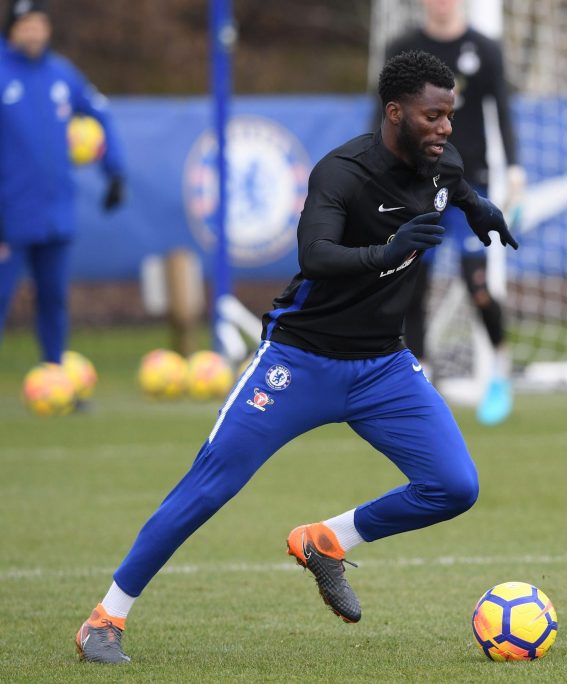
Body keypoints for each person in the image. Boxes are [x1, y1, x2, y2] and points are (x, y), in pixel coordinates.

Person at [74, 50, 517, 664]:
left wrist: (478, 205)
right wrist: (391, 250)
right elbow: (316, 257)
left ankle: (326, 540)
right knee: (210, 485)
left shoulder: (444, 163)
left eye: (450, 114)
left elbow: (454, 184)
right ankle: (104, 620)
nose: (445, 128)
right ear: (394, 113)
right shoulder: (342, 173)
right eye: (432, 116)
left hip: (383, 368)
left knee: (453, 486)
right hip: (298, 362)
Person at [382, 0, 524, 426]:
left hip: (467, 185)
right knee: (412, 279)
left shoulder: (484, 48)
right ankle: (420, 380)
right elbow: (385, 115)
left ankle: (499, 371)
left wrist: (515, 168)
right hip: (414, 183)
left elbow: (500, 109)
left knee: (476, 278)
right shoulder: (402, 48)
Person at [0, 0, 125, 364]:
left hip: (56, 211)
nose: (34, 31)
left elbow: (100, 114)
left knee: (54, 298)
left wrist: (114, 171)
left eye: (40, 23)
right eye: (26, 24)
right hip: (9, 214)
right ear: (12, 29)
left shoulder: (62, 74)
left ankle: (54, 373)